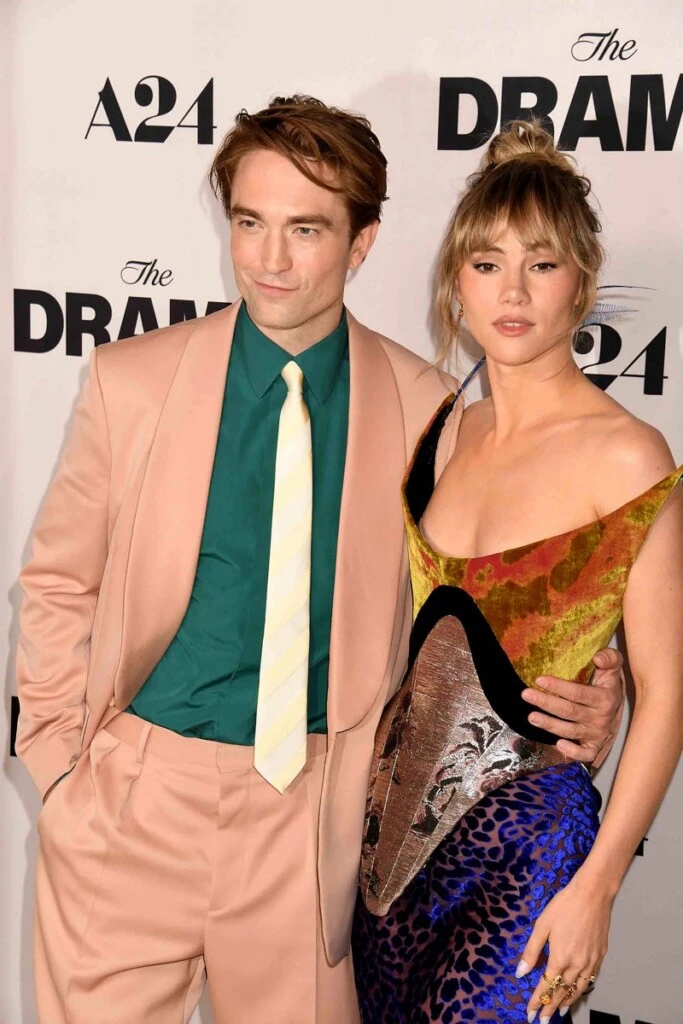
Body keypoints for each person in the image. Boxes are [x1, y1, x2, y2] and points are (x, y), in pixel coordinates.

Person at [16, 99, 623, 1024]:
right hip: (131, 804)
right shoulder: (130, 380)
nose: (268, 259)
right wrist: (61, 772)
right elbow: (60, 581)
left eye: (304, 229)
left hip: (311, 823)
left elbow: (482, 602)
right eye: (249, 223)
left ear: (362, 240)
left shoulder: (429, 409)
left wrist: (590, 680)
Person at [353, 120, 683, 1024]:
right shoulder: (442, 433)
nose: (511, 291)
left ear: (581, 279)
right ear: (454, 281)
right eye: (486, 262)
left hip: (527, 847)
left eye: (541, 264)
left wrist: (598, 886)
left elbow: (665, 694)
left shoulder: (627, 455)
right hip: (385, 858)